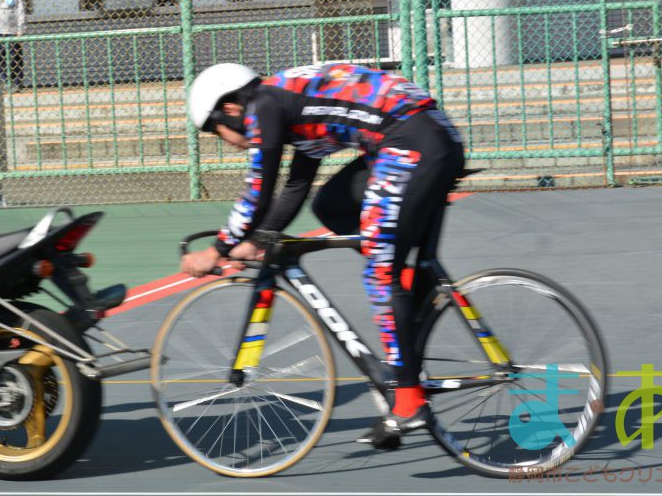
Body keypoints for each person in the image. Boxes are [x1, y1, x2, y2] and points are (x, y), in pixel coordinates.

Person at [180, 62, 465, 449]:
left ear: (230, 108)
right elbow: (296, 187)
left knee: (381, 275)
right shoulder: (289, 104)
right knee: (330, 206)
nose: (226, 141)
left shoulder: (263, 104)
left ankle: (409, 401)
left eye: (217, 132)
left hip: (411, 139)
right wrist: (259, 239)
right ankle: (406, 296)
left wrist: (218, 249)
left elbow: (258, 189)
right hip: (423, 134)